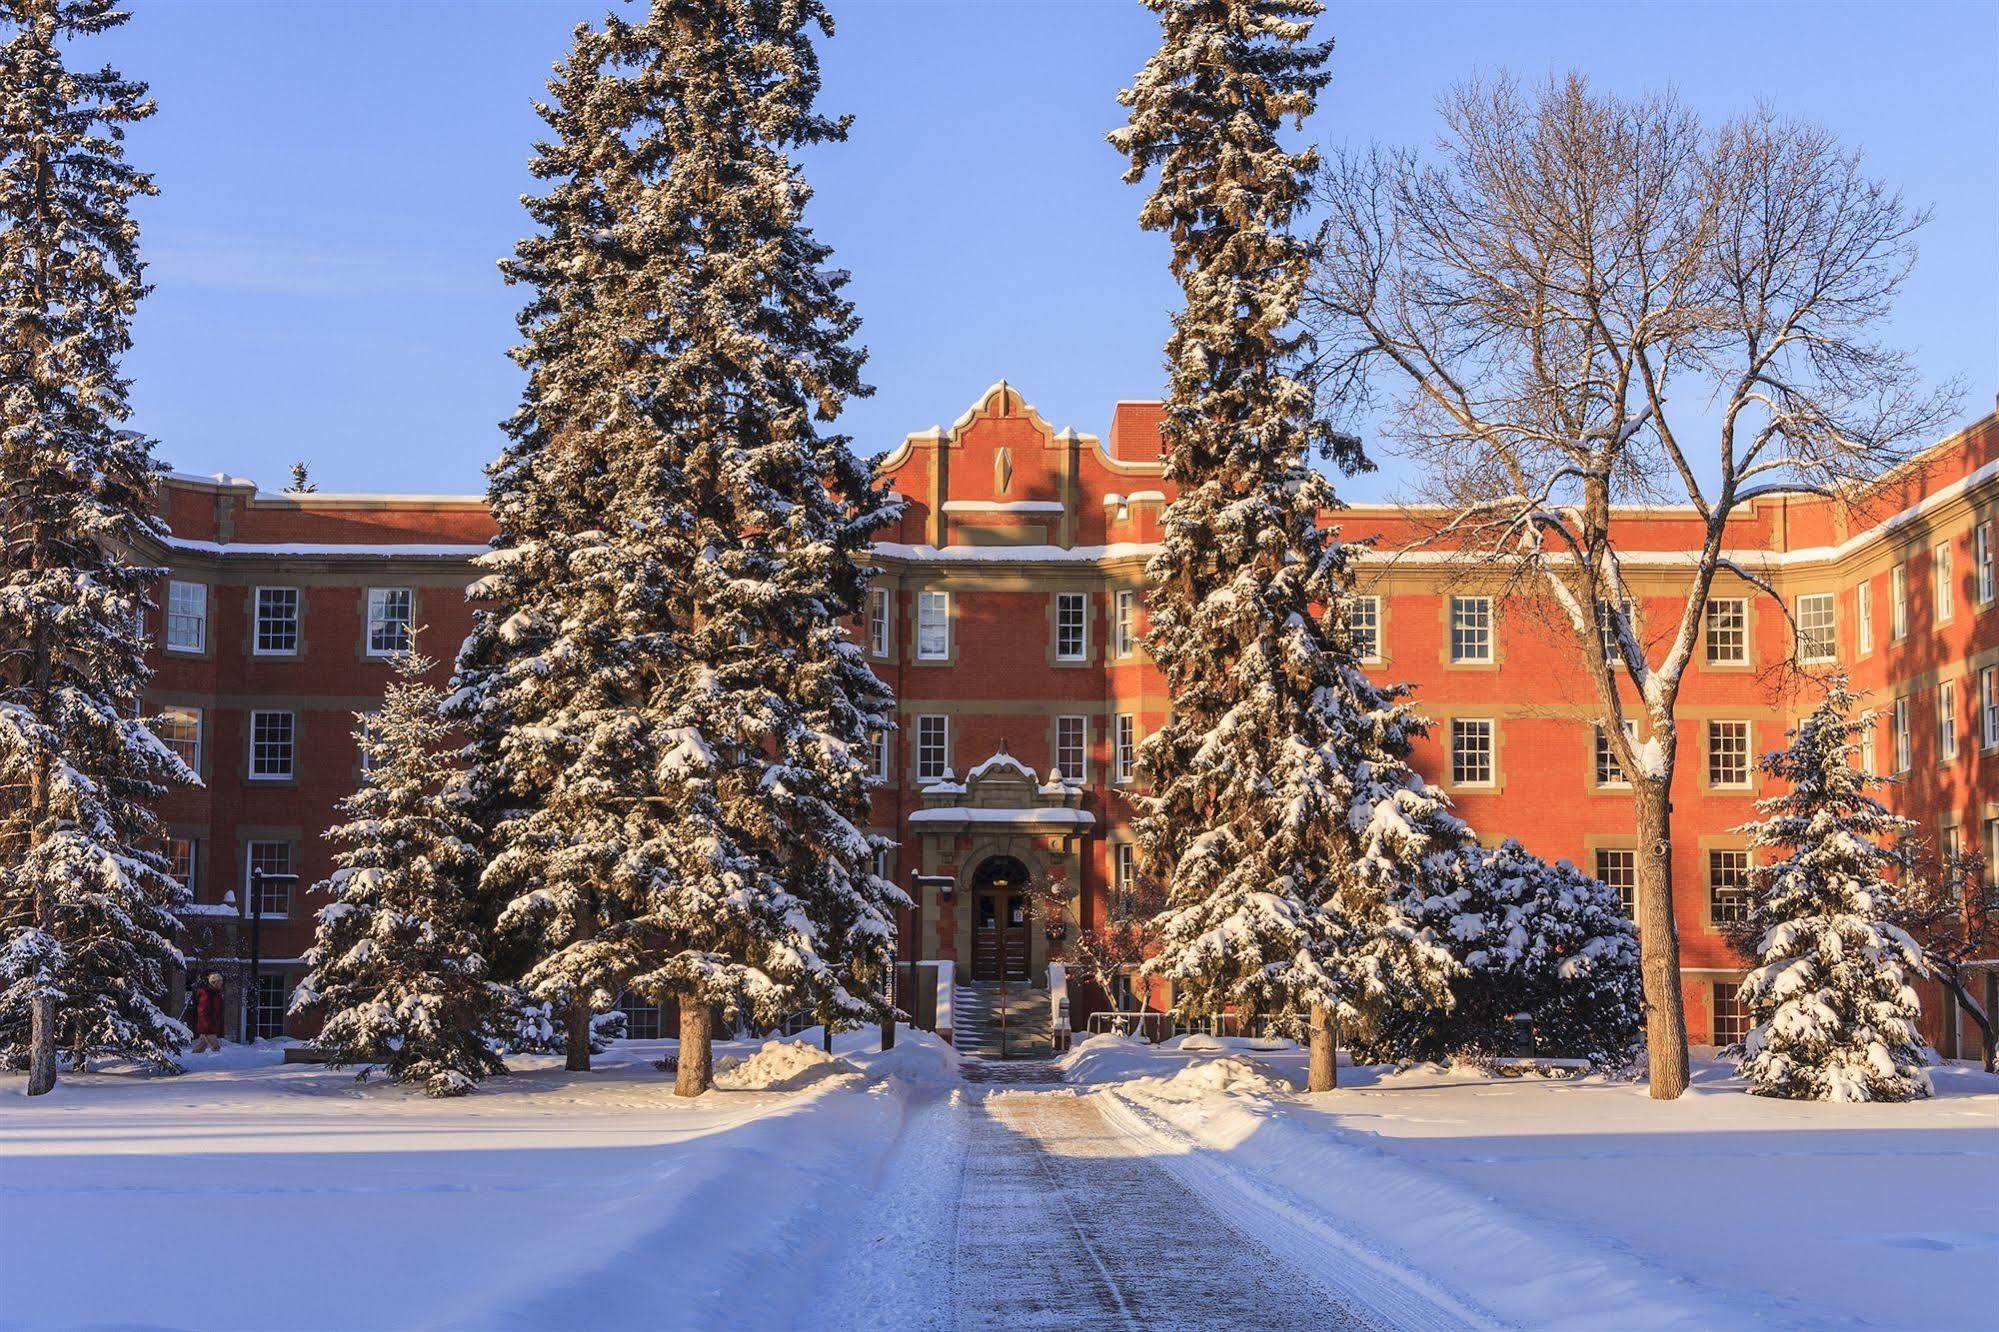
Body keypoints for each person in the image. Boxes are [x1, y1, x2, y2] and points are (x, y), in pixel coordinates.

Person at [190, 973, 226, 1053]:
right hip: (208, 1026)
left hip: (210, 1025)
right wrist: (207, 1025)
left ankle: (195, 1058)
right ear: (214, 983)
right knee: (216, 1048)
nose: (221, 984)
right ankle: (218, 1063)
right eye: (220, 982)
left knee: (200, 1047)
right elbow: (203, 1011)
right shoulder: (207, 994)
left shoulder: (215, 994)